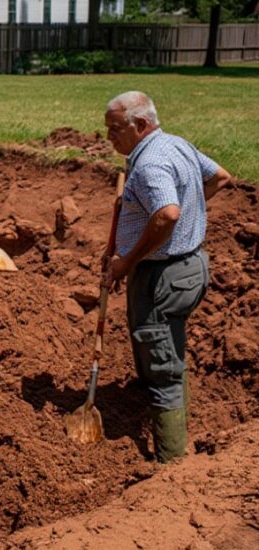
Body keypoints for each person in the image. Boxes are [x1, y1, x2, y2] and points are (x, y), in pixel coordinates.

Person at [103, 91, 231, 463]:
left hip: (164, 277)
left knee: (163, 370)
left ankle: (171, 465)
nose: (109, 137)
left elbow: (167, 215)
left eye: (114, 129)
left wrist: (126, 262)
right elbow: (220, 177)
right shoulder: (177, 145)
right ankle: (167, 406)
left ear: (140, 126)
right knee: (165, 347)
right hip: (191, 268)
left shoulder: (148, 166)